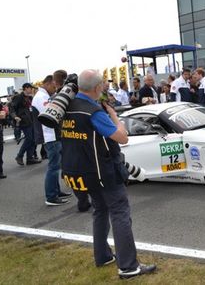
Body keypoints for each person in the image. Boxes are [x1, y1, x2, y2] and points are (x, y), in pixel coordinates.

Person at [61, 69, 156, 278]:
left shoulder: (66, 107)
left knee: (100, 211)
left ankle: (103, 256)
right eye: (102, 85)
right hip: (103, 172)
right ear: (96, 87)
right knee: (120, 213)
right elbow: (122, 137)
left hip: (83, 171)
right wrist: (113, 115)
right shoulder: (93, 112)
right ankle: (129, 266)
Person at [32, 75, 72, 205]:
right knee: (53, 167)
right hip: (50, 135)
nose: (55, 90)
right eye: (54, 87)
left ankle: (56, 191)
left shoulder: (43, 96)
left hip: (53, 134)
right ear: (48, 84)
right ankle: (51, 196)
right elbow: (51, 114)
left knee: (56, 166)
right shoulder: (40, 97)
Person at [11, 83, 41, 166]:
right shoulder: (18, 97)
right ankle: (19, 156)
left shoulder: (30, 98)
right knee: (29, 139)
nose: (32, 90)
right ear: (26, 88)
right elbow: (12, 107)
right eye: (31, 88)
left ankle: (29, 158)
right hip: (23, 121)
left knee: (33, 139)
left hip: (31, 120)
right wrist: (15, 116)